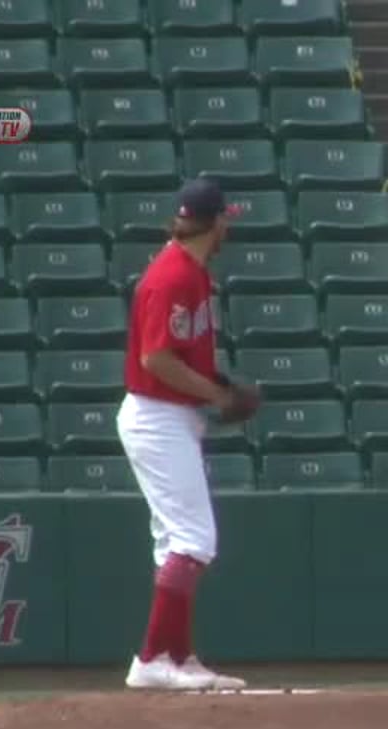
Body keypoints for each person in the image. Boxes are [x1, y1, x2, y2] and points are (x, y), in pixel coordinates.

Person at [116, 177, 257, 692]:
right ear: (214, 222)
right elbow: (156, 358)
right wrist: (219, 396)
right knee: (195, 540)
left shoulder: (190, 270)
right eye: (225, 220)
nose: (227, 229)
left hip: (168, 416)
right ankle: (153, 658)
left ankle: (177, 655)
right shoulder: (173, 274)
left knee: (174, 542)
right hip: (157, 416)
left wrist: (217, 385)